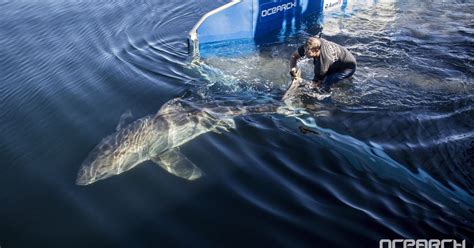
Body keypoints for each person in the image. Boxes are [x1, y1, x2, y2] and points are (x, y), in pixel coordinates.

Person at [289, 37, 356, 92]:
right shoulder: (312, 43)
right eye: (304, 50)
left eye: (307, 52)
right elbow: (294, 56)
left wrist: (302, 86)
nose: (305, 53)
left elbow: (315, 84)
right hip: (338, 58)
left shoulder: (322, 65)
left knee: (325, 83)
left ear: (316, 50)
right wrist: (293, 72)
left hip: (348, 67)